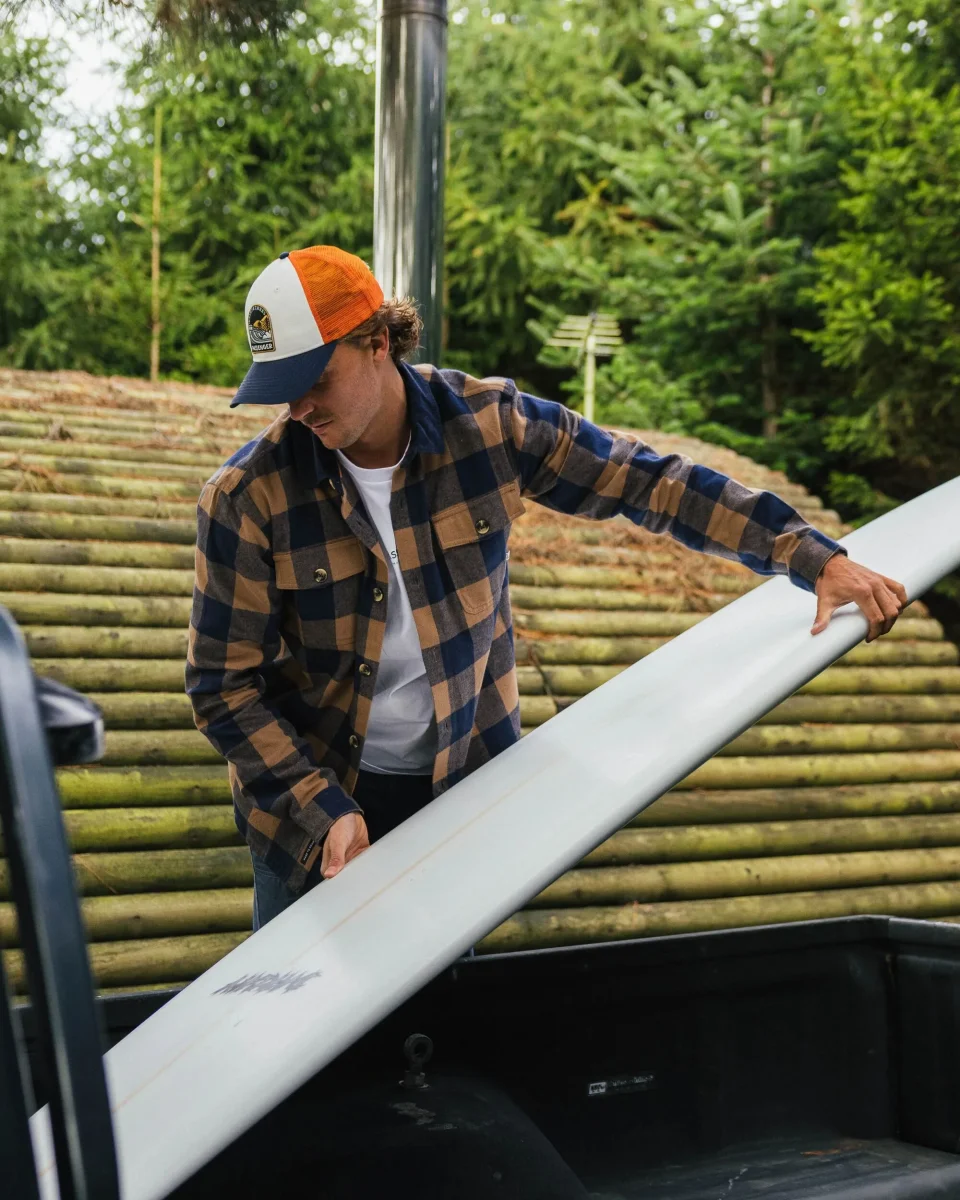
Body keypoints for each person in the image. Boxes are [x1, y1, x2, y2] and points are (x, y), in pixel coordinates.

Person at [185, 244, 908, 931]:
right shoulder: (247, 498)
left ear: (378, 342)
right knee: (309, 1017)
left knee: (444, 1008)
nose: (300, 409)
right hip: (313, 812)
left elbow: (649, 482)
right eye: (281, 392)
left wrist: (810, 556)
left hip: (461, 793)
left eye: (315, 381)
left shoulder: (490, 426)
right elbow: (223, 686)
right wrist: (321, 810)